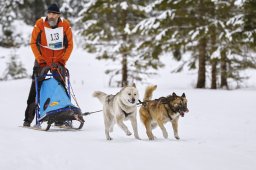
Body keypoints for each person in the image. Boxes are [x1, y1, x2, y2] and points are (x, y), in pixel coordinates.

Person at [23, 3, 73, 127]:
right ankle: (28, 119)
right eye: (50, 13)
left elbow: (70, 45)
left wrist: (62, 61)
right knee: (35, 88)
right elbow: (33, 43)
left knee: (60, 87)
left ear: (58, 15)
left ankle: (61, 118)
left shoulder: (65, 25)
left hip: (58, 61)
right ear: (47, 14)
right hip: (42, 61)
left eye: (54, 14)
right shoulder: (40, 24)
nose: (51, 16)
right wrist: (40, 60)